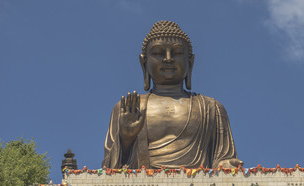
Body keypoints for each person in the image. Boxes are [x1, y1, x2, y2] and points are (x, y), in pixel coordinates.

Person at [102, 21, 243, 169]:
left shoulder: (211, 108)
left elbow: (224, 160)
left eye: (177, 53)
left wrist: (227, 165)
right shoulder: (129, 108)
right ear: (144, 63)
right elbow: (109, 169)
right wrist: (125, 139)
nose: (168, 58)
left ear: (190, 62)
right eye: (158, 53)